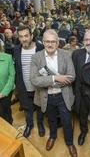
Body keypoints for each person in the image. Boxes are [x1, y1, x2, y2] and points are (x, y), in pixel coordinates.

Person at [30, 29, 77, 157]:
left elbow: (72, 76)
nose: (50, 44)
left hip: (63, 95)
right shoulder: (36, 57)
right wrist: (55, 78)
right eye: (47, 41)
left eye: (53, 42)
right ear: (43, 42)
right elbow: (34, 80)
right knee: (51, 120)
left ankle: (69, 143)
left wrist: (45, 81)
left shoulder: (66, 55)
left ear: (57, 43)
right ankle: (52, 136)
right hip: (47, 96)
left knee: (67, 121)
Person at [13, 26, 45, 138]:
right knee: (27, 107)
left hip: (39, 87)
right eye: (21, 36)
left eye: (26, 36)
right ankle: (29, 125)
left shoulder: (40, 48)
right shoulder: (16, 49)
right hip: (23, 86)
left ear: (31, 36)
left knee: (40, 107)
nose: (24, 39)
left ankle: (40, 124)